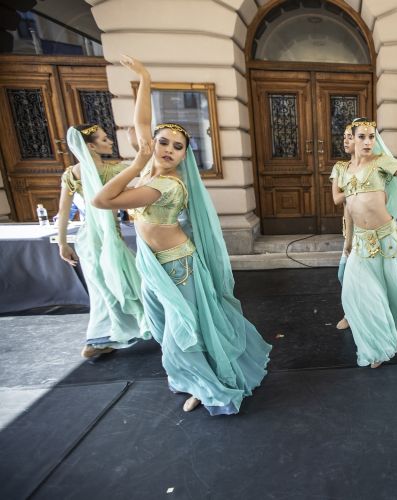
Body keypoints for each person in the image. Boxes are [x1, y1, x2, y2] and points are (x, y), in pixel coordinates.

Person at [93, 56, 271, 415]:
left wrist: (135, 163)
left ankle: (207, 385)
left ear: (184, 156)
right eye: (164, 142)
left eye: (178, 147)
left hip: (177, 267)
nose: (169, 150)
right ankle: (189, 377)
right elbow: (142, 124)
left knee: (183, 330)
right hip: (153, 263)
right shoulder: (148, 175)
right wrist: (144, 79)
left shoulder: (165, 186)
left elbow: (102, 199)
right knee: (163, 326)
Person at [333, 116, 397, 368]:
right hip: (362, 243)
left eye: (371, 136)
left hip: (387, 239)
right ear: (351, 139)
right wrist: (348, 242)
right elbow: (349, 210)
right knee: (356, 290)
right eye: (361, 136)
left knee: (394, 289)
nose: (367, 141)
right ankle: (374, 338)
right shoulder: (344, 171)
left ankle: (380, 344)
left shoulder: (382, 163)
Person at [58, 124, 151, 358]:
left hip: (88, 239)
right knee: (131, 283)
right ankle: (146, 326)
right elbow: (147, 176)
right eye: (104, 139)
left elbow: (63, 210)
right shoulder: (114, 170)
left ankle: (99, 340)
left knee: (103, 290)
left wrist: (63, 243)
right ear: (91, 146)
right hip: (105, 239)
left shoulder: (72, 173)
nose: (110, 141)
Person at [330, 124, 355, 330]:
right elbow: (337, 198)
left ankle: (353, 314)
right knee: (343, 275)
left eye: (349, 137)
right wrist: (358, 188)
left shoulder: (372, 167)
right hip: (349, 228)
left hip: (366, 230)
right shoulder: (340, 167)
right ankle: (350, 313)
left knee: (352, 276)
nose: (345, 140)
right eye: (344, 137)